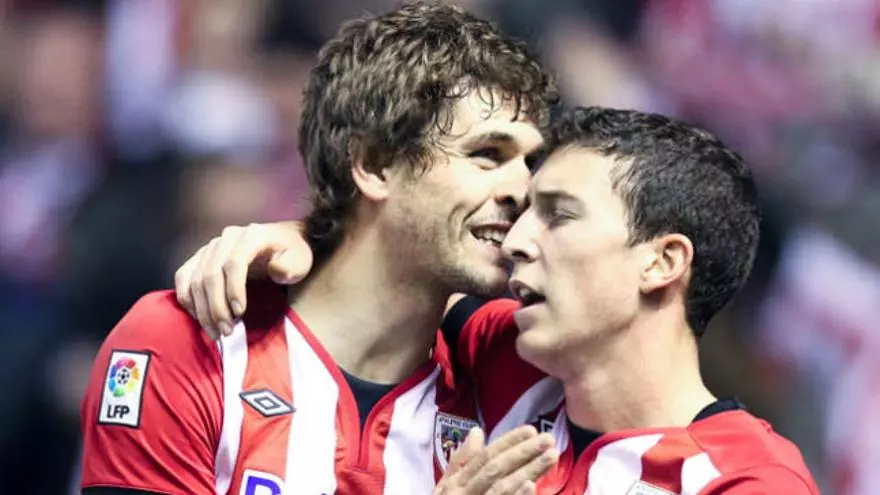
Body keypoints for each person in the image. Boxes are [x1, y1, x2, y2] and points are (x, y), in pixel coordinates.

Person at [176, 107, 820, 493]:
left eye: (558, 215)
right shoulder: (505, 357)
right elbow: (384, 273)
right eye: (523, 213)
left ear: (662, 262)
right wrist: (302, 241)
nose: (515, 240)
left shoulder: (747, 479)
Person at [79, 2, 560, 494]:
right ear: (373, 165)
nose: (523, 191)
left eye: (530, 163)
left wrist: (306, 233)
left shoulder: (521, 361)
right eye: (487, 155)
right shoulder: (191, 343)